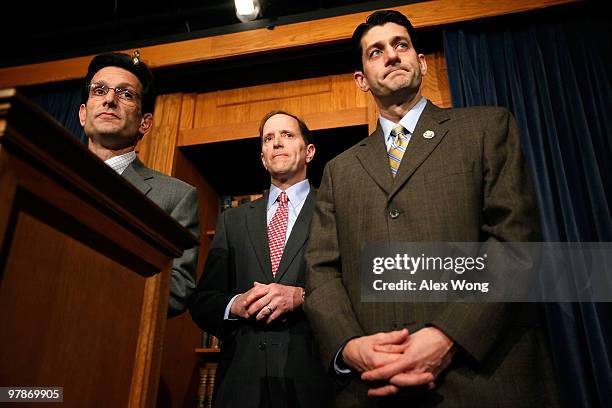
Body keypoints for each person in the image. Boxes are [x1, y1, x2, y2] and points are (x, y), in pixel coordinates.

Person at [303, 10, 559, 407]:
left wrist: (447, 336)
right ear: (361, 80)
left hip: (482, 380)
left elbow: (516, 243)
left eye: (400, 45)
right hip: (372, 387)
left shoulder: (487, 127)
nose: (391, 55)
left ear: (420, 62)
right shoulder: (339, 171)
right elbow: (321, 271)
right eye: (375, 52)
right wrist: (350, 346)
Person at [189, 111, 332, 407]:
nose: (277, 143)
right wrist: (235, 305)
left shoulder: (334, 213)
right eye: (269, 138)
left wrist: (301, 296)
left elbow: (354, 288)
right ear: (263, 158)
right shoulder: (232, 220)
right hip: (241, 386)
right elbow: (204, 302)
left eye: (287, 135)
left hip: (312, 384)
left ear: (309, 152)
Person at [79, 52, 200, 317]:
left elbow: (176, 290)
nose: (109, 100)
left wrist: (88, 287)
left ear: (145, 123)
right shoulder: (45, 171)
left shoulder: (177, 196)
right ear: (82, 113)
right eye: (99, 91)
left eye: (125, 94)